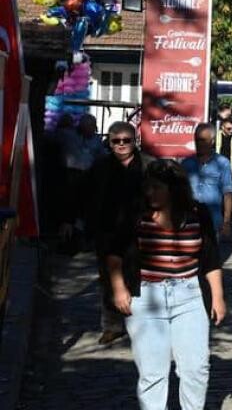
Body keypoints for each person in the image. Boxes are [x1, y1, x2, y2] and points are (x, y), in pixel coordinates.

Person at [107, 159, 226, 410]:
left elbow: (211, 258)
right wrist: (119, 288)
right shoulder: (135, 214)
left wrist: (217, 296)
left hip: (190, 295)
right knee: (153, 371)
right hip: (147, 298)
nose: (150, 193)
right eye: (148, 187)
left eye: (157, 187)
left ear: (174, 189)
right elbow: (114, 254)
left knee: (196, 368)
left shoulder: (197, 214)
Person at [87, 120, 152, 345]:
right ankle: (112, 325)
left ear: (135, 141)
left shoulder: (148, 165)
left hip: (141, 230)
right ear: (110, 142)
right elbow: (85, 196)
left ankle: (140, 322)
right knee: (108, 277)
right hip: (108, 229)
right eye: (117, 141)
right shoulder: (100, 166)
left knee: (140, 276)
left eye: (127, 140)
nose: (122, 145)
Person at [182, 123, 232, 239]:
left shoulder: (222, 163)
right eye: (196, 140)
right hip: (190, 221)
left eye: (202, 140)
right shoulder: (186, 163)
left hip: (213, 221)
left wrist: (226, 221)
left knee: (211, 256)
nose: (198, 143)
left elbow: (228, 193)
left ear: (212, 141)